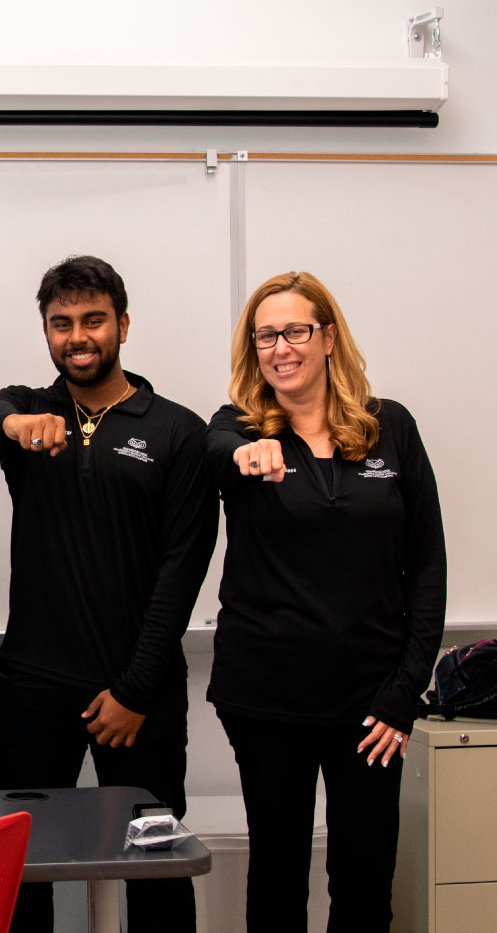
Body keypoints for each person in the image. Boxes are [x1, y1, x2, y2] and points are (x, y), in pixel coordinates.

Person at [0, 255, 217, 933]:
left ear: (123, 324)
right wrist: (15, 426)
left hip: (140, 692)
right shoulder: (29, 410)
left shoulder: (176, 431)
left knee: (157, 874)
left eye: (92, 320)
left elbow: (183, 568)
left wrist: (136, 690)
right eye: (60, 324)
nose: (76, 336)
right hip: (30, 688)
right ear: (46, 331)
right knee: (21, 871)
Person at [207, 271, 446, 931]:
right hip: (267, 698)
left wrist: (405, 693)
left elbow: (427, 566)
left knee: (366, 883)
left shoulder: (389, 427)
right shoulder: (240, 428)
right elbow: (214, 449)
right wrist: (247, 450)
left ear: (329, 338)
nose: (280, 347)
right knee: (278, 880)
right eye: (265, 336)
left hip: (371, 705)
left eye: (294, 331)